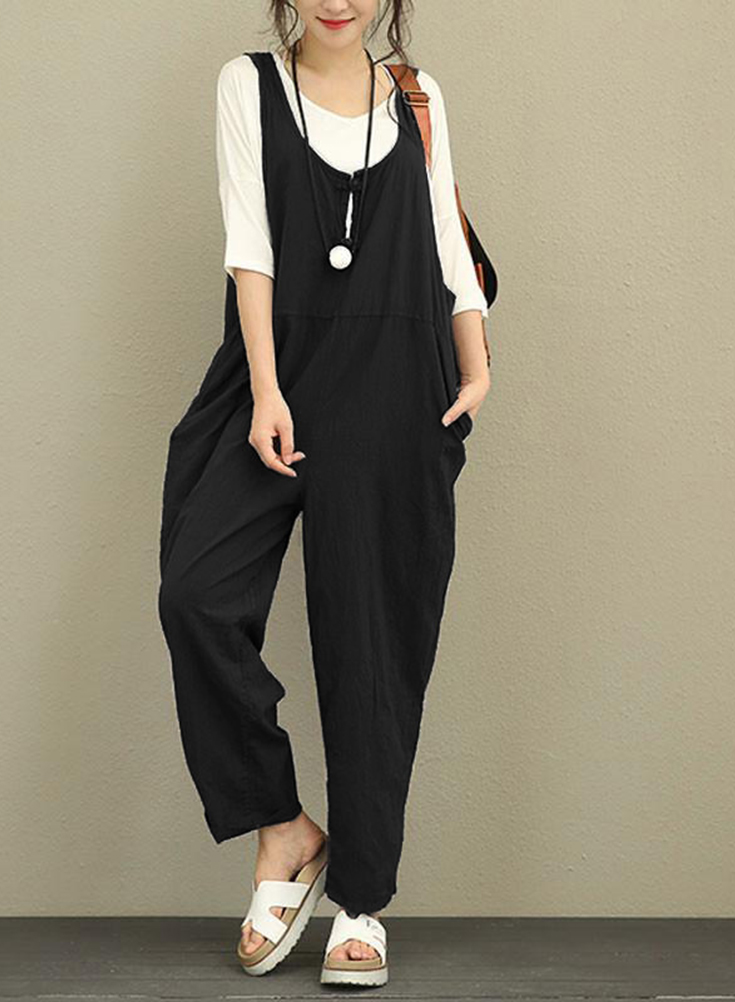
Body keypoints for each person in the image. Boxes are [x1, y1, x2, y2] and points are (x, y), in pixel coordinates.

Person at [157, 0, 492, 988]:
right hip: (276, 378)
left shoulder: (418, 98)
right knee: (197, 596)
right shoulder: (249, 86)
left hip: (396, 380)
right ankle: (284, 826)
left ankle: (362, 900)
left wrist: (475, 362)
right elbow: (249, 244)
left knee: (373, 643)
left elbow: (446, 243)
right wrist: (266, 388)